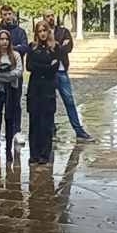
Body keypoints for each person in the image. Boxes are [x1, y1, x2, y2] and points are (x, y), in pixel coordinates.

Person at [41, 9, 95, 143]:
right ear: (44, 18)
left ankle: (79, 130)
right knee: (49, 102)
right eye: (48, 16)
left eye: (52, 15)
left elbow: (68, 47)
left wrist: (55, 48)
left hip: (61, 71)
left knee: (69, 100)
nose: (50, 18)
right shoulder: (42, 33)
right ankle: (50, 129)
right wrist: (59, 46)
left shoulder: (63, 31)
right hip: (48, 72)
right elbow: (43, 51)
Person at [25, 20, 60, 165]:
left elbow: (54, 68)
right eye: (39, 31)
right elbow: (29, 66)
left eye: (44, 30)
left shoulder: (55, 47)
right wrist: (46, 66)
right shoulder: (32, 47)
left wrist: (41, 67)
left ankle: (45, 154)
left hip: (48, 89)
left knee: (46, 123)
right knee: (34, 122)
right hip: (35, 89)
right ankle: (34, 154)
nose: (42, 34)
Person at [0, 28, 24, 163]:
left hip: (11, 91)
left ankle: (8, 149)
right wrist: (7, 75)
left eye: (6, 39)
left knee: (9, 120)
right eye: (2, 39)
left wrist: (3, 75)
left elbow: (18, 72)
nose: (4, 42)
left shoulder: (15, 55)